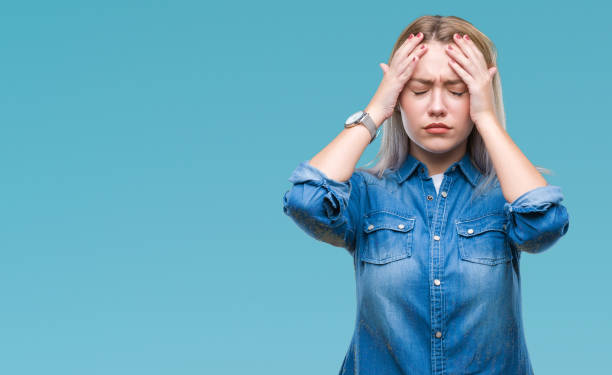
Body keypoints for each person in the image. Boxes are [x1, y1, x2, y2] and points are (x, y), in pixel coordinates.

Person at [282, 15, 569, 375]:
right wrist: (376, 110)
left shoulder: (506, 196)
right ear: (399, 96)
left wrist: (487, 118)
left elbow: (544, 225)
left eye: (457, 90)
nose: (437, 106)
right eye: (418, 90)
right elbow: (305, 201)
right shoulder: (367, 195)